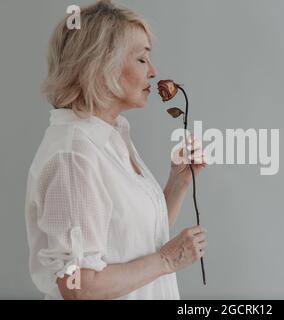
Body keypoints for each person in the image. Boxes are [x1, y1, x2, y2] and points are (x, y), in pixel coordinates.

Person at [24, 0, 208, 300]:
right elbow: (78, 287)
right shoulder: (73, 156)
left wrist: (179, 182)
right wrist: (167, 260)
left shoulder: (111, 137)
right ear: (101, 65)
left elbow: (130, 240)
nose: (154, 71)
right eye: (141, 59)